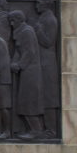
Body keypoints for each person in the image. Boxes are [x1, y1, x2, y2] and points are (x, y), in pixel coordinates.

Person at [9, 9, 45, 140]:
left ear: (19, 20)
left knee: (29, 101)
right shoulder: (20, 32)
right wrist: (13, 62)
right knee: (24, 101)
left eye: (13, 21)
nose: (11, 24)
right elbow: (19, 51)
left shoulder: (27, 32)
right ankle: (31, 129)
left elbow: (29, 52)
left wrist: (19, 65)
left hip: (31, 72)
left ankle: (37, 130)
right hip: (25, 71)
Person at [34, 0, 60, 137]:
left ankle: (51, 130)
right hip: (41, 62)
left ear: (45, 4)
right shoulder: (43, 18)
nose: (36, 5)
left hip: (47, 63)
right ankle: (43, 129)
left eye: (38, 2)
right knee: (42, 96)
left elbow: (49, 42)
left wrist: (37, 30)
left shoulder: (50, 19)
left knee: (49, 97)